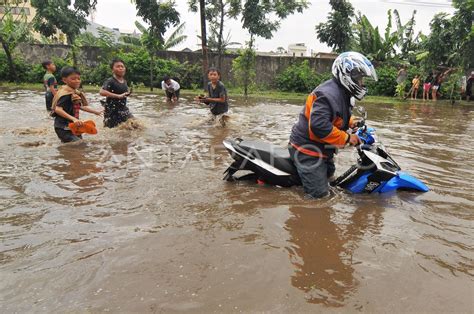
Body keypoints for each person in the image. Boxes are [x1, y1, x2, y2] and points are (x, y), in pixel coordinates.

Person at [288, 51, 377, 199]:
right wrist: (348, 138)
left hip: (322, 150)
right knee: (320, 197)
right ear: (349, 76)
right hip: (308, 151)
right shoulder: (327, 95)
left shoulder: (342, 92)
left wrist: (352, 121)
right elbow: (319, 126)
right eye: (360, 79)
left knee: (331, 177)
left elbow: (338, 116)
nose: (362, 83)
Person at [52, 67, 103, 143]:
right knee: (79, 145)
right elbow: (58, 109)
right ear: (64, 80)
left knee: (78, 145)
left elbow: (80, 106)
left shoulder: (73, 92)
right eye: (73, 79)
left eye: (78, 79)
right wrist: (74, 119)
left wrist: (95, 112)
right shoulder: (66, 94)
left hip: (74, 125)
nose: (77, 81)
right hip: (63, 127)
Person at [99, 58, 133, 128]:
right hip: (112, 112)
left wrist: (127, 94)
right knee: (113, 132)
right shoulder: (110, 81)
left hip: (123, 110)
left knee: (137, 125)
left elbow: (121, 93)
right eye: (118, 66)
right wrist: (118, 96)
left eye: (122, 66)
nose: (121, 68)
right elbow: (101, 92)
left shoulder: (124, 81)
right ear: (112, 70)